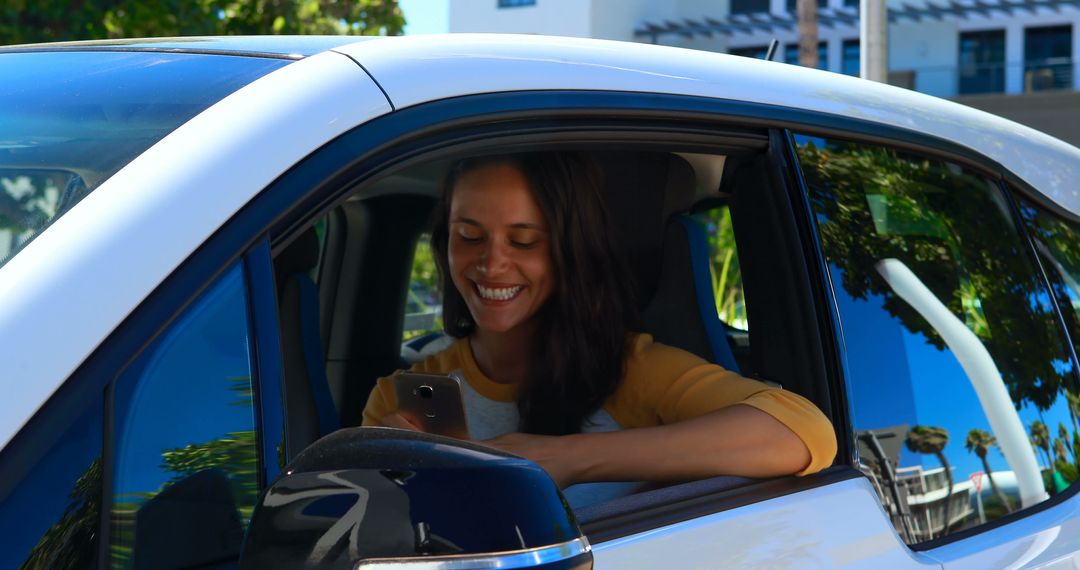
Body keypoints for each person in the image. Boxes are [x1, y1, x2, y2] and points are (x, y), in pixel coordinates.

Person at [362, 151, 836, 507]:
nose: (491, 262)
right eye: (469, 237)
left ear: (569, 251)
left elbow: (803, 430)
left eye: (524, 240)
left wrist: (569, 459)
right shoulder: (402, 397)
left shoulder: (627, 369)